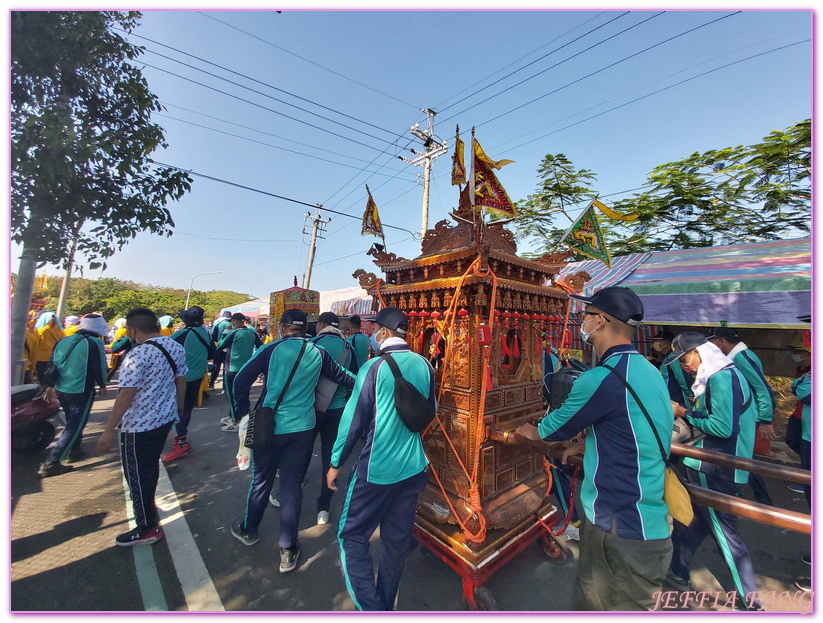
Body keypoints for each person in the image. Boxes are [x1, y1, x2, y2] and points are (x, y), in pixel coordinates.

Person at [515, 286, 673, 611]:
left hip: (617, 527)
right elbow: (628, 433)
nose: (582, 322)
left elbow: (546, 432)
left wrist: (515, 430)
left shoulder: (601, 378)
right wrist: (587, 448)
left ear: (599, 321)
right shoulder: (651, 372)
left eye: (585, 316)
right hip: (651, 521)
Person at [229, 309, 355, 574]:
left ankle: (249, 529)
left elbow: (240, 380)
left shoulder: (271, 349)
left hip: (269, 427)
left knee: (261, 479)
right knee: (291, 484)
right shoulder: (318, 353)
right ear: (306, 328)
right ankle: (288, 548)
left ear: (282, 327)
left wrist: (241, 413)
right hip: (303, 428)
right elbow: (346, 377)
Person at [328, 308, 434, 611]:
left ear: (384, 333)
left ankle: (373, 610)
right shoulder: (425, 364)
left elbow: (352, 424)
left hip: (377, 471)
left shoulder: (374, 368)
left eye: (375, 329)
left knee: (351, 537)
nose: (373, 335)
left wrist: (335, 464)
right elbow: (429, 411)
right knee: (396, 545)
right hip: (414, 467)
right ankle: (385, 605)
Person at [664, 332, 760, 610]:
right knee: (690, 521)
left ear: (698, 353)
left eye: (684, 360)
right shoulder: (721, 374)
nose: (685, 367)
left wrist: (682, 411)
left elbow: (722, 427)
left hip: (717, 466)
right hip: (711, 463)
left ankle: (750, 600)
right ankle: (677, 570)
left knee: (724, 533)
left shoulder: (722, 378)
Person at [95, 307, 187, 546]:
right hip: (163, 420)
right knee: (148, 469)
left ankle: (147, 527)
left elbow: (126, 395)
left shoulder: (137, 355)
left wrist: (107, 431)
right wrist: (179, 406)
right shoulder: (175, 346)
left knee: (136, 475)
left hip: (138, 425)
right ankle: (148, 511)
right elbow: (181, 379)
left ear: (132, 329)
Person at [707, 326, 775, 506]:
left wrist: (766, 419)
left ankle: (760, 500)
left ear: (721, 341)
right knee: (744, 455)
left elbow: (761, 388)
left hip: (747, 414)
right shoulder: (740, 356)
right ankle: (758, 498)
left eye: (712, 341)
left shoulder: (741, 358)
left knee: (744, 456)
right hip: (745, 413)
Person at [38, 314, 109, 477]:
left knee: (72, 421)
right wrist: (102, 384)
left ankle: (74, 451)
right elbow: (99, 366)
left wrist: (50, 386)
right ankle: (52, 462)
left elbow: (52, 364)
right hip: (81, 390)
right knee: (75, 426)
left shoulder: (63, 341)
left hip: (62, 388)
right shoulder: (95, 343)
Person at [306, 311, 356, 525]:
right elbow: (353, 379)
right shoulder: (349, 347)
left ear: (322, 325)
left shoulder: (313, 343)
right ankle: (324, 507)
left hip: (311, 408)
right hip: (337, 410)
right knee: (330, 456)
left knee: (302, 451)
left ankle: (290, 491)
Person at [164, 306, 216, 461]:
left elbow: (164, 351)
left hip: (181, 378)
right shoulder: (205, 334)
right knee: (186, 409)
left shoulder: (181, 334)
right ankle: (181, 440)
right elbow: (212, 354)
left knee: (177, 410)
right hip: (198, 375)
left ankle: (180, 443)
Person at [218, 313, 263, 431]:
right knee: (242, 394)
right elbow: (260, 347)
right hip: (246, 369)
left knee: (231, 395)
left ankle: (235, 422)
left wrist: (224, 333)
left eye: (231, 321)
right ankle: (232, 416)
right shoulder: (252, 333)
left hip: (232, 368)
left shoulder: (233, 333)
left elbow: (220, 345)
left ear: (234, 321)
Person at [34, 311, 65, 383]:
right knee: (50, 378)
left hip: (40, 358)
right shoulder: (61, 332)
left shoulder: (40, 331)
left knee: (41, 379)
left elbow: (34, 344)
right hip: (55, 358)